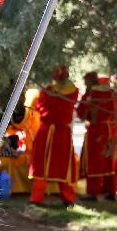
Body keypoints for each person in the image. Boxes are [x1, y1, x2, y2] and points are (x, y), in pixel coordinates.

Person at [28, 65, 79, 206]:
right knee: (63, 165)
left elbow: (39, 106)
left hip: (47, 132)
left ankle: (36, 198)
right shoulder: (74, 91)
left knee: (41, 164)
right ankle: (68, 199)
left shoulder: (48, 90)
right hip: (63, 133)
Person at [77, 71, 117, 200]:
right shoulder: (113, 93)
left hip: (97, 130)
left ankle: (93, 192)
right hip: (112, 130)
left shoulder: (91, 94)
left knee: (95, 161)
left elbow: (81, 112)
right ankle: (111, 190)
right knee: (110, 160)